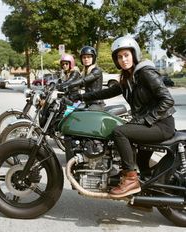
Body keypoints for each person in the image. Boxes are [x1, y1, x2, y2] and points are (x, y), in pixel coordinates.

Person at [71, 36, 176, 198]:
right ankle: (144, 194)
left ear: (134, 54)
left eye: (126, 55)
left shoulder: (145, 73)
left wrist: (146, 120)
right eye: (119, 57)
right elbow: (107, 92)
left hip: (161, 124)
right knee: (139, 159)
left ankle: (130, 179)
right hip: (151, 123)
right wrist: (81, 97)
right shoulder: (128, 77)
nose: (123, 59)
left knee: (120, 132)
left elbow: (167, 100)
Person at [66, 46, 104, 110]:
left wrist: (70, 84)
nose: (86, 59)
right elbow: (79, 84)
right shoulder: (84, 72)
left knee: (86, 116)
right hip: (88, 102)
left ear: (93, 58)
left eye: (89, 57)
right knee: (74, 110)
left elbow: (83, 80)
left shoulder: (96, 70)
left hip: (96, 103)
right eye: (84, 57)